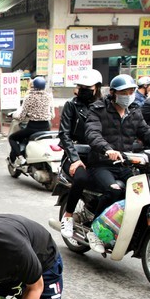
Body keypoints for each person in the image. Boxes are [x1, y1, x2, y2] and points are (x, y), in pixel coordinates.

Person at [84, 74, 150, 252]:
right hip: (101, 163)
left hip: (125, 164)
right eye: (124, 91)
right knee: (114, 190)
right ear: (113, 93)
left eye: (131, 91)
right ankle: (94, 230)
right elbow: (92, 133)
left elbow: (147, 133)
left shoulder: (134, 111)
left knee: (140, 192)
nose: (128, 94)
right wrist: (107, 149)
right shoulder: (98, 109)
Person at [58, 70, 102, 238]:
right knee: (82, 177)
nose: (84, 89)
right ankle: (68, 216)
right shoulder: (72, 105)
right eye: (81, 86)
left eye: (87, 87)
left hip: (97, 155)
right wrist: (75, 158)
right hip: (75, 154)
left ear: (97, 88)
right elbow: (64, 134)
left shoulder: (104, 106)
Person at [8, 77, 53, 166]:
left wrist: (13, 115)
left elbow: (21, 116)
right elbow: (51, 114)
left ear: (33, 86)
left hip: (33, 127)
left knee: (12, 138)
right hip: (46, 127)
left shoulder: (29, 97)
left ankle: (20, 158)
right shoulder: (49, 96)